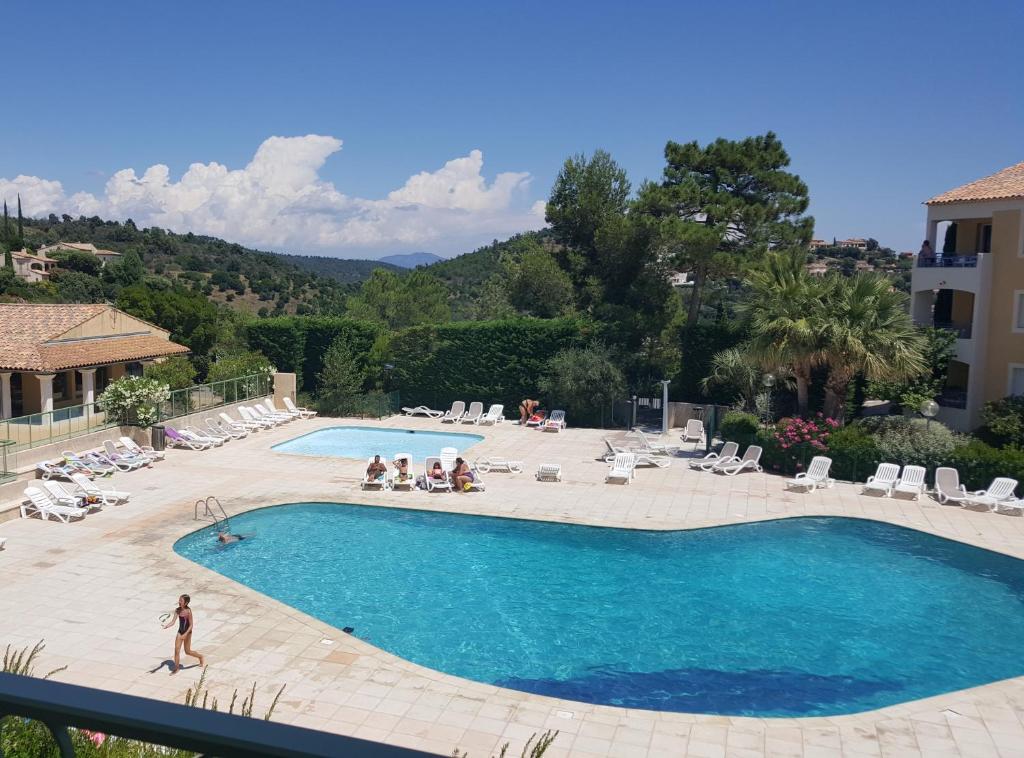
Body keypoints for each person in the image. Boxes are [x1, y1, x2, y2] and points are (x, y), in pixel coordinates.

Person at [162, 594, 205, 675]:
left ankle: (200, 657)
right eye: (179, 600)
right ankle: (176, 668)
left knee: (187, 651)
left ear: (186, 603)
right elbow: (173, 621)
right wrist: (167, 625)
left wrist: (185, 634)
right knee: (176, 650)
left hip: (188, 633)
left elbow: (191, 625)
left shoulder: (188, 611)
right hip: (180, 632)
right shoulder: (177, 610)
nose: (179, 602)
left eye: (181, 601)